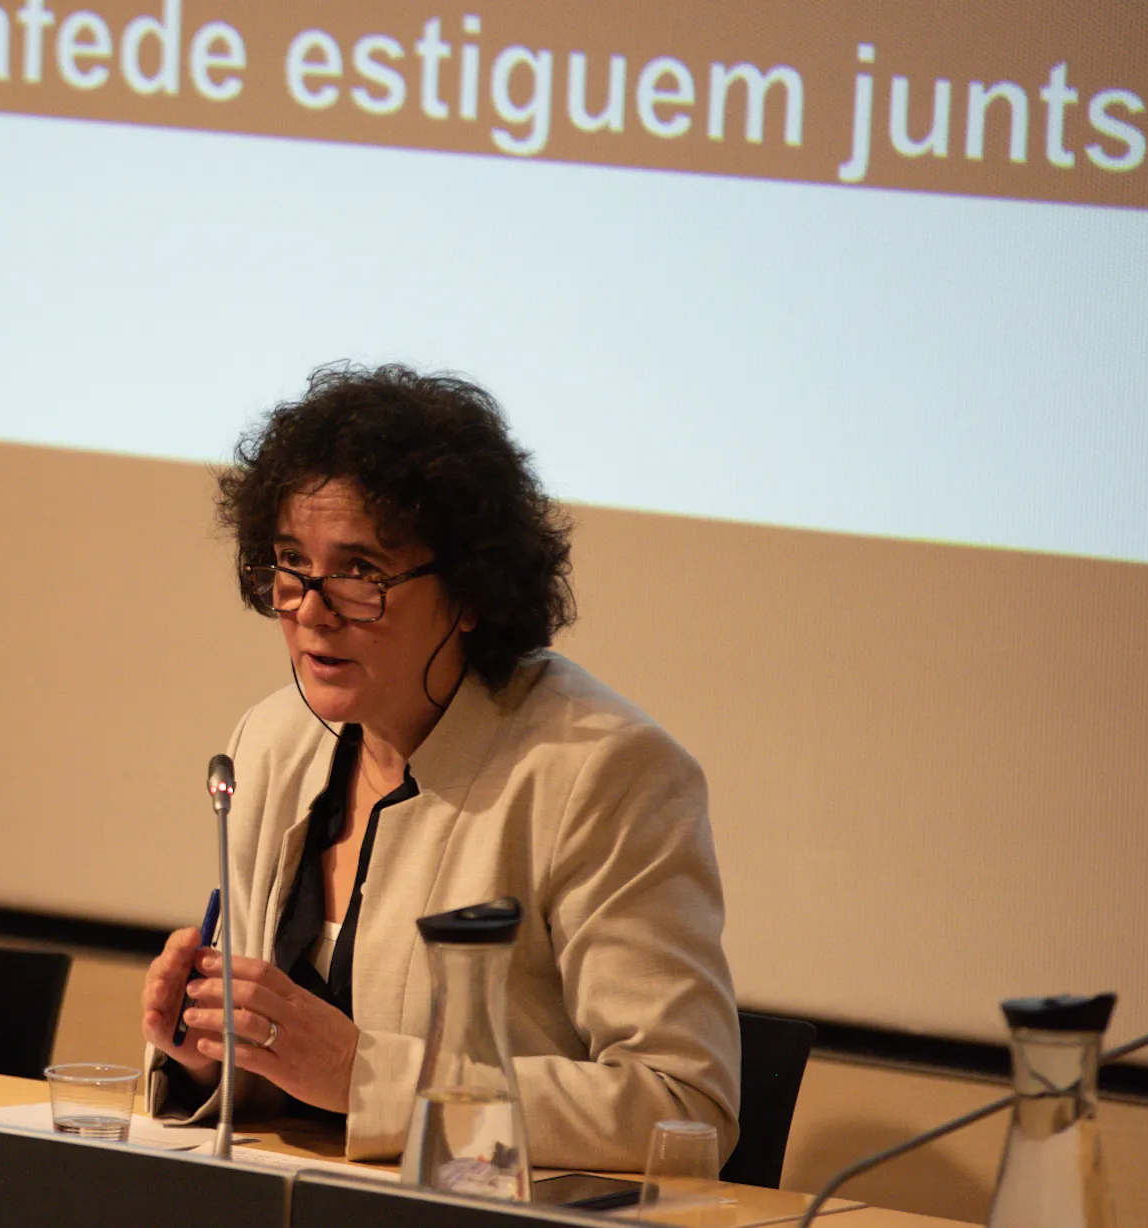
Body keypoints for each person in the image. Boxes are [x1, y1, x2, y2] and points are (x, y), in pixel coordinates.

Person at [138, 364, 739, 1169]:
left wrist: (366, 1075)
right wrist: (211, 1052)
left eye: (360, 572)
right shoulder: (271, 742)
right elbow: (294, 1092)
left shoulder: (603, 771)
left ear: (469, 592)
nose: (313, 609)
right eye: (290, 561)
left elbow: (682, 1103)